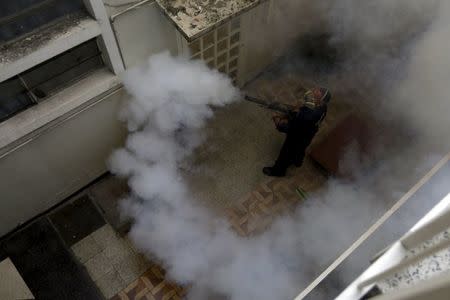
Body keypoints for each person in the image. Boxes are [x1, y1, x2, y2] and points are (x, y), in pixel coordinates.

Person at [263, 87, 331, 177]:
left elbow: (292, 127)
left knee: (285, 153)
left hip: (297, 136)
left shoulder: (308, 115)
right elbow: (303, 111)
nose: (314, 91)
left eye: (318, 92)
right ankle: (297, 161)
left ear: (321, 98)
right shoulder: (323, 107)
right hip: (308, 134)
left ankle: (278, 171)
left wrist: (278, 121)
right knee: (300, 149)